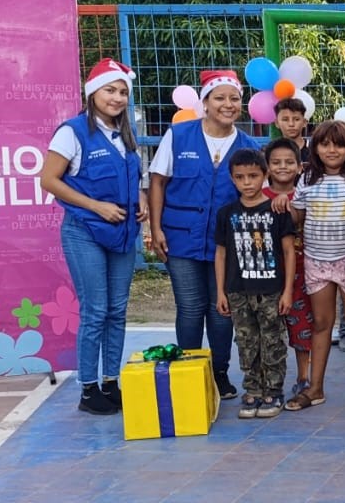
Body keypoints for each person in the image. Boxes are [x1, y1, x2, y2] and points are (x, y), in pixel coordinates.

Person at [41, 58, 145, 415]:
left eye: (122, 92)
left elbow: (132, 178)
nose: (116, 98)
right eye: (109, 90)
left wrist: (141, 200)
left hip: (123, 234)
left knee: (117, 310)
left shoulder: (125, 136)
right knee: (96, 310)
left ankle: (110, 382)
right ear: (92, 93)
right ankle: (88, 389)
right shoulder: (72, 131)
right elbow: (49, 180)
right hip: (85, 231)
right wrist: (96, 206)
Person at [148, 69, 259, 400]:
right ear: (205, 103)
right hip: (180, 238)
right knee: (191, 306)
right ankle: (187, 370)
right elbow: (158, 181)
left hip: (227, 245)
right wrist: (155, 229)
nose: (228, 104)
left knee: (222, 309)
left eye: (235, 98)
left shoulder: (248, 146)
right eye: (220, 98)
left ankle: (219, 372)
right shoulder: (178, 135)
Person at [284, 120, 345, 411]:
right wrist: (280, 202)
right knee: (322, 324)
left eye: (338, 144)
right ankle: (315, 388)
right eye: (324, 144)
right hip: (317, 261)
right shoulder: (307, 179)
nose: (331, 150)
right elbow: (296, 216)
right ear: (316, 148)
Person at [214, 149, 297, 419]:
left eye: (253, 176)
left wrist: (287, 291)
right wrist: (221, 292)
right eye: (240, 177)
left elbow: (288, 252)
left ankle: (274, 390)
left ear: (265, 175)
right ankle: (252, 389)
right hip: (238, 290)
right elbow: (221, 253)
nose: (247, 182)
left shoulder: (277, 210)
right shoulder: (227, 213)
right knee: (246, 342)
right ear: (232, 179)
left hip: (271, 290)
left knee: (272, 340)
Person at [262, 139, 314, 397]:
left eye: (289, 162)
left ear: (299, 167)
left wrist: (291, 205)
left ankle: (304, 376)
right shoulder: (256, 196)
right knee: (268, 325)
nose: (283, 167)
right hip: (266, 271)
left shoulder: (305, 195)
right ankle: (269, 378)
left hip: (301, 269)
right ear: (267, 168)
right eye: (276, 162)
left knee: (301, 322)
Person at [273, 97, 311, 163]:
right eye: (285, 119)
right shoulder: (271, 152)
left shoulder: (314, 150)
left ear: (304, 122)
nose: (291, 124)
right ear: (277, 123)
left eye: (296, 119)